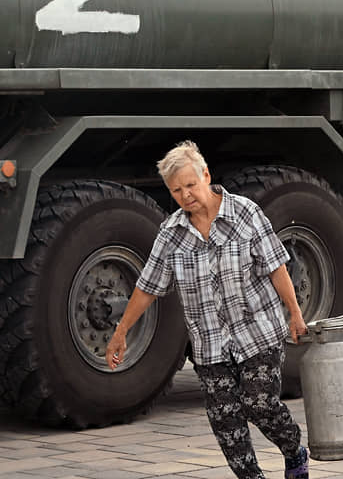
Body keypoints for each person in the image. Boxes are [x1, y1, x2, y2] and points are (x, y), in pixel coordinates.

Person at [105, 141, 310, 479]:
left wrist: (295, 314)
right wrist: (121, 331)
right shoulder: (171, 234)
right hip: (211, 345)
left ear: (206, 176)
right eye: (176, 190)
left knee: (258, 404)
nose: (185, 195)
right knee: (226, 425)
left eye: (190, 185)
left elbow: (276, 266)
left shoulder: (245, 213)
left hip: (257, 332)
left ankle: (294, 449)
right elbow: (147, 287)